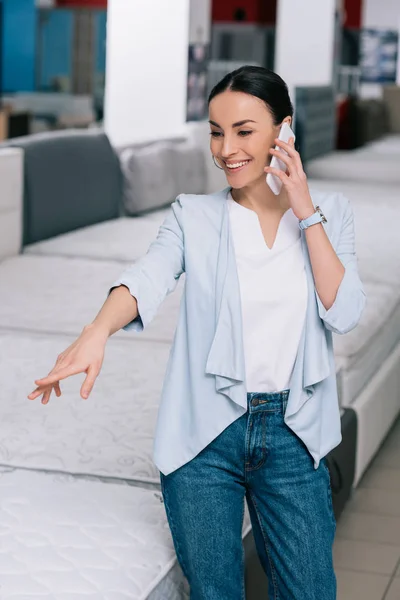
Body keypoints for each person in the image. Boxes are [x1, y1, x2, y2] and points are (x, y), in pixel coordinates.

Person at [28, 66, 366, 599]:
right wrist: (98, 330)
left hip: (294, 435)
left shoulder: (332, 215)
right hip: (205, 441)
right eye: (215, 131)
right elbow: (148, 276)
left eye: (244, 130)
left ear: (285, 129)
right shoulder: (193, 216)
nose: (226, 148)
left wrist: (306, 211)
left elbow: (343, 312)